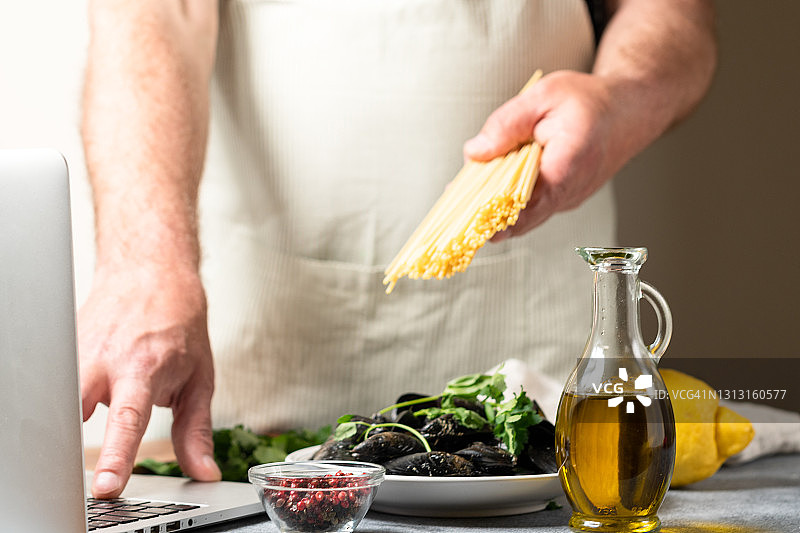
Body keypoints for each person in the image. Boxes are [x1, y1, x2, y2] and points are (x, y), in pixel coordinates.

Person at [79, 0, 717, 498]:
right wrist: (145, 265)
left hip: (535, 392)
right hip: (258, 400)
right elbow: (145, 18)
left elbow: (676, 17)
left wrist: (622, 98)